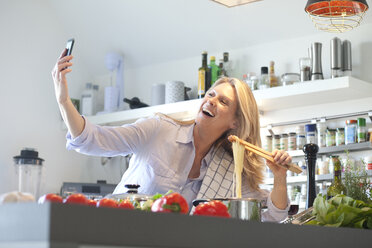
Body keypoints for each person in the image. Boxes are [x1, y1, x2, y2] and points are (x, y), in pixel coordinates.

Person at [52, 49, 292, 222]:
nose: (211, 101)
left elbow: (271, 217)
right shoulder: (159, 129)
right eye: (210, 94)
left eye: (223, 101)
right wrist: (63, 100)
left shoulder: (230, 170)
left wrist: (280, 178)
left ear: (235, 122)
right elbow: (93, 139)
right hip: (120, 234)